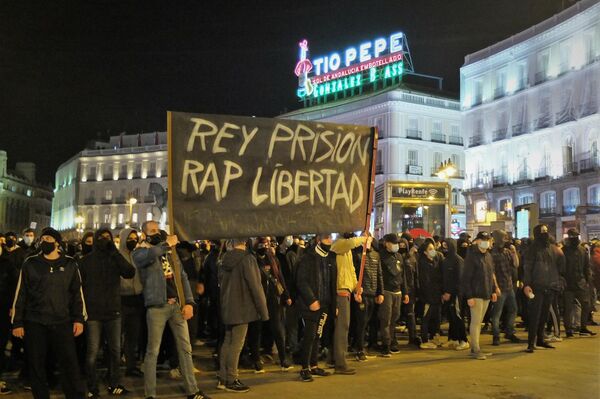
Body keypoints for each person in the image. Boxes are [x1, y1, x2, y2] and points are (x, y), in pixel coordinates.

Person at [132, 221, 209, 399]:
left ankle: (193, 390)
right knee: (153, 351)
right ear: (144, 235)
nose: (156, 233)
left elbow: (182, 277)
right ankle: (150, 394)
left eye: (157, 230)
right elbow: (151, 254)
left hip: (176, 305)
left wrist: (189, 302)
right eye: (152, 231)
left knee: (185, 349)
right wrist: (167, 244)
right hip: (156, 307)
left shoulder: (170, 252)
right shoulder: (140, 252)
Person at [11, 227, 87, 399]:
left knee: (69, 365)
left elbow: (77, 294)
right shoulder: (30, 263)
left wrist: (79, 319)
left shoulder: (69, 264)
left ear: (57, 243)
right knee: (37, 366)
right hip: (35, 322)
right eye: (42, 238)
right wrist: (18, 322)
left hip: (62, 322)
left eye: (49, 238)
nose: (44, 241)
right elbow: (21, 294)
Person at [80, 228, 135, 397]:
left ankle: (114, 383)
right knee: (92, 353)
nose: (105, 240)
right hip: (93, 314)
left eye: (108, 237)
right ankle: (92, 386)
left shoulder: (114, 258)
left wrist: (115, 252)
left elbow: (129, 272)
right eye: (101, 237)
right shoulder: (86, 261)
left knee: (115, 351)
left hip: (113, 312)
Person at [216, 238, 269, 392]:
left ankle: (223, 377)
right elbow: (255, 286)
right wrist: (263, 311)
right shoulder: (247, 259)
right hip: (242, 308)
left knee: (227, 342)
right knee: (236, 345)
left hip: (227, 306)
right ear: (245, 242)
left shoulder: (224, 259)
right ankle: (232, 379)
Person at [295, 234, 337, 382]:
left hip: (324, 304)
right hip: (310, 306)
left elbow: (332, 282)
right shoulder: (308, 257)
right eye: (327, 238)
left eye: (331, 238)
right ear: (318, 240)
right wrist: (311, 300)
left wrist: (334, 304)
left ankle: (313, 365)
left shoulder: (330, 257)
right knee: (309, 336)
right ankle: (304, 368)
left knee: (318, 335)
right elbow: (302, 281)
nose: (330, 241)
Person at [523, 225, 565, 353]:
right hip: (537, 286)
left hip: (550, 285)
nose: (545, 234)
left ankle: (540, 340)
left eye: (546, 231)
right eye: (542, 232)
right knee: (535, 316)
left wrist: (558, 280)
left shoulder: (553, 249)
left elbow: (560, 265)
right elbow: (527, 268)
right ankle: (531, 343)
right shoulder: (532, 250)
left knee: (544, 315)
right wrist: (527, 284)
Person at [252, 237, 293, 371]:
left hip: (273, 298)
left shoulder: (273, 259)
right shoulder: (252, 260)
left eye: (268, 243)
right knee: (256, 329)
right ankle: (256, 360)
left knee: (277, 328)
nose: (266, 245)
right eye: (263, 243)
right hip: (258, 299)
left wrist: (286, 295)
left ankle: (283, 359)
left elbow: (280, 277)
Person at [330, 232, 367, 374]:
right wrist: (363, 239)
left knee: (343, 327)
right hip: (339, 292)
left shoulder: (346, 249)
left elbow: (351, 271)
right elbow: (350, 243)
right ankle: (340, 362)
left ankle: (335, 358)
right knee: (342, 328)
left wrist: (356, 287)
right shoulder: (338, 244)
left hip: (345, 292)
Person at [461, 231, 498, 360]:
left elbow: (491, 274)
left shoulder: (488, 256)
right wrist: (469, 296)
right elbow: (466, 278)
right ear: (477, 241)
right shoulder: (472, 256)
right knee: (475, 322)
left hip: (486, 293)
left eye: (487, 239)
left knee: (479, 321)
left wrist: (493, 290)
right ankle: (475, 349)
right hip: (476, 294)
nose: (486, 241)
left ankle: (476, 347)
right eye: (483, 239)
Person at [118, 228, 145, 377]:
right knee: (117, 336)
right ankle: (114, 367)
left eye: (135, 238)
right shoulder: (116, 256)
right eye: (130, 238)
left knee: (132, 336)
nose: (133, 240)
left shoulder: (137, 256)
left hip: (136, 299)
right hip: (121, 299)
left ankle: (131, 366)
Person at [352, 234, 383, 361]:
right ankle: (359, 348)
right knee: (361, 322)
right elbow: (354, 274)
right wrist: (356, 291)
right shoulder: (357, 254)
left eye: (369, 237)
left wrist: (380, 292)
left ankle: (365, 345)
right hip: (362, 294)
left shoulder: (375, 255)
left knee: (370, 321)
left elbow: (379, 274)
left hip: (373, 292)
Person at [378, 234, 409, 356]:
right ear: (386, 243)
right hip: (387, 291)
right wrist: (380, 292)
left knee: (394, 318)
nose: (396, 245)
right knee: (386, 319)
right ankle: (386, 344)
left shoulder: (399, 256)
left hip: (398, 291)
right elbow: (380, 275)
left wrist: (405, 292)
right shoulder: (382, 256)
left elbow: (403, 276)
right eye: (393, 243)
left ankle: (392, 341)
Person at [489, 230, 521, 345]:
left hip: (509, 286)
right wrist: (496, 287)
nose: (506, 239)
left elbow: (516, 264)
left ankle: (509, 332)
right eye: (503, 237)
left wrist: (514, 253)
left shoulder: (507, 252)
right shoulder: (493, 254)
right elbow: (492, 272)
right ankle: (496, 335)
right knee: (497, 312)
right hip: (500, 287)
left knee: (513, 309)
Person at [562, 229, 596, 337]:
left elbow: (586, 267)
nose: (574, 238)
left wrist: (586, 281)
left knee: (586, 305)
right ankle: (569, 330)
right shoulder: (564, 250)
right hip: (568, 284)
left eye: (576, 236)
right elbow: (561, 267)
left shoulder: (582, 250)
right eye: (572, 236)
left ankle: (583, 328)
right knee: (568, 308)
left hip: (580, 283)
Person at [441, 238, 469, 351]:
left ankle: (464, 340)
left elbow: (459, 280)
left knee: (457, 317)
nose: (444, 248)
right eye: (443, 246)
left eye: (446, 246)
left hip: (456, 294)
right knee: (451, 317)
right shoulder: (446, 260)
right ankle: (453, 339)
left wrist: (449, 292)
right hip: (447, 294)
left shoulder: (458, 260)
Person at [418, 239, 444, 349]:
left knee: (436, 318)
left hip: (437, 296)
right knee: (426, 318)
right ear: (425, 252)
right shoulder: (422, 264)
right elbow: (424, 282)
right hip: (427, 296)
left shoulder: (436, 261)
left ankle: (434, 337)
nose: (433, 251)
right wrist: (426, 296)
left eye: (433, 248)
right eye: (430, 249)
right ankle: (424, 340)